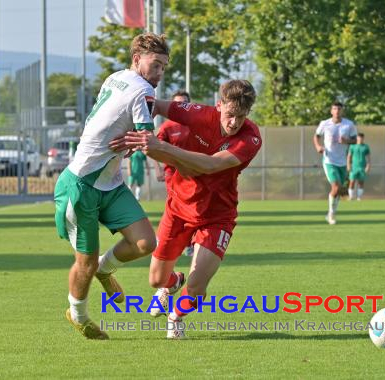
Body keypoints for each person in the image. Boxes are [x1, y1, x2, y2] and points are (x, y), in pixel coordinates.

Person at [109, 79, 261, 339]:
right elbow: (153, 104)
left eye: (241, 116)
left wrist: (162, 148)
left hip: (217, 217)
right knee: (156, 281)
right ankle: (173, 283)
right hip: (178, 209)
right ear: (219, 106)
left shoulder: (251, 137)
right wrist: (132, 130)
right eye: (229, 114)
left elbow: (210, 166)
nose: (234, 122)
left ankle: (175, 317)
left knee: (198, 286)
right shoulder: (200, 114)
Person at [54, 32, 169, 339]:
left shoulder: (115, 76)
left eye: (163, 67)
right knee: (85, 263)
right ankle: (77, 314)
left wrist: (129, 144)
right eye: (155, 64)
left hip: (111, 182)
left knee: (146, 243)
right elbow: (150, 142)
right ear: (137, 59)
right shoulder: (143, 91)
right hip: (81, 185)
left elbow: (114, 124)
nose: (159, 73)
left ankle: (106, 269)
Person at [157, 90, 195, 256]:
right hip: (173, 176)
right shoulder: (166, 127)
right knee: (177, 209)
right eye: (177, 104)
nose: (181, 107)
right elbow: (154, 148)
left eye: (184, 103)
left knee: (195, 208)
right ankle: (176, 243)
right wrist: (158, 169)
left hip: (194, 174)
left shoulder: (195, 124)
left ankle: (192, 242)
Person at [313, 101, 357, 224]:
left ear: (342, 110)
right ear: (331, 111)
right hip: (329, 160)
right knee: (336, 186)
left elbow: (355, 140)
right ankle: (331, 214)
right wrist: (318, 146)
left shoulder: (349, 125)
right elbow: (316, 136)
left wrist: (347, 140)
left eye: (339, 109)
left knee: (338, 189)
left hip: (342, 162)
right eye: (334, 109)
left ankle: (331, 213)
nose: (337, 111)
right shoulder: (325, 124)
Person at [347, 133, 371, 201]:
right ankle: (351, 197)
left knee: (361, 182)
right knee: (352, 182)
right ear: (357, 138)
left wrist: (368, 166)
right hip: (354, 167)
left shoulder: (366, 147)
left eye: (362, 138)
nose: (360, 139)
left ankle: (359, 197)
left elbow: (368, 157)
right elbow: (349, 156)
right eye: (359, 137)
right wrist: (348, 165)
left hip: (362, 167)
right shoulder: (352, 146)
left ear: (363, 138)